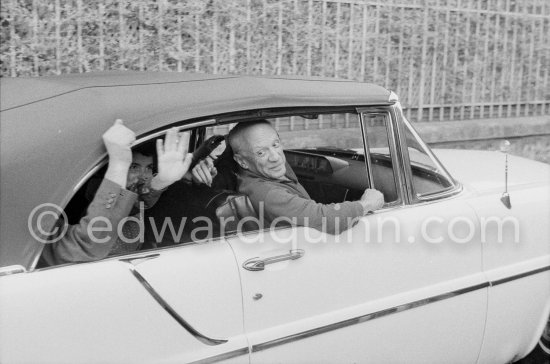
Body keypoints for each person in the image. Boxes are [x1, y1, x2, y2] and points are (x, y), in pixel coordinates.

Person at [39, 119, 192, 265]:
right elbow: (111, 212)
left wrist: (161, 181)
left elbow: (135, 204)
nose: (144, 176)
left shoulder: (131, 191)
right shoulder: (97, 190)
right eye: (134, 167)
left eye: (149, 168)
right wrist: (119, 164)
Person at [222, 119, 385, 234]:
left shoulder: (260, 172)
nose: (275, 157)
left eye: (275, 144)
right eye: (261, 152)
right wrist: (366, 204)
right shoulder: (268, 193)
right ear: (242, 161)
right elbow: (323, 218)